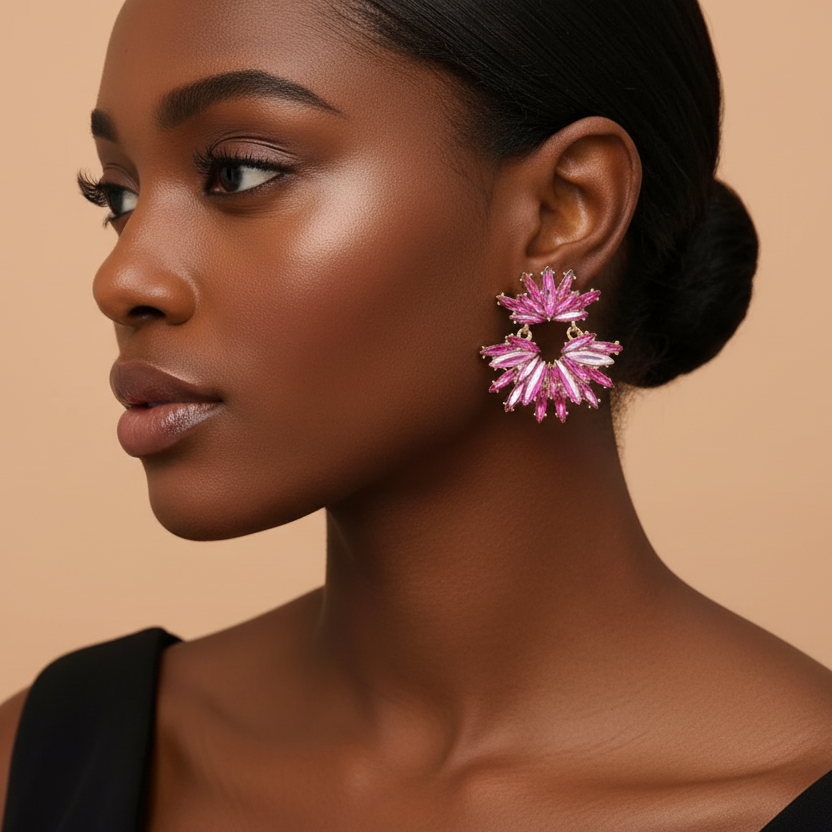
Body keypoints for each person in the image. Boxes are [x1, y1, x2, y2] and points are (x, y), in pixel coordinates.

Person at [2, 0, 832, 828]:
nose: (123, 277)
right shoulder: (42, 763)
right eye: (116, 194)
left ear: (562, 211)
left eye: (238, 172)